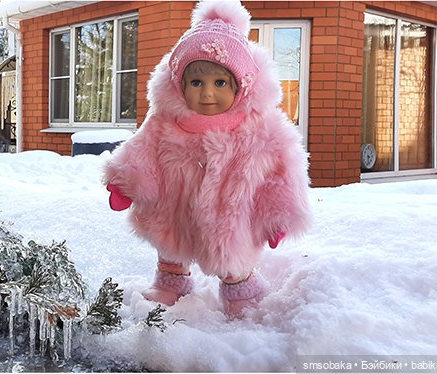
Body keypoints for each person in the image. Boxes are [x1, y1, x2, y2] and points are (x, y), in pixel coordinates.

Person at [103, 0, 312, 318]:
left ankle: (241, 289)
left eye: (220, 83)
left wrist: (278, 215)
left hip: (231, 210)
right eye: (196, 82)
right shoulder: (166, 120)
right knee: (171, 243)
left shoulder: (260, 126)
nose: (207, 93)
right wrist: (125, 181)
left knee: (232, 253)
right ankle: (171, 282)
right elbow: (142, 148)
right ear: (179, 83)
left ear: (242, 85)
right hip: (175, 205)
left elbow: (283, 170)